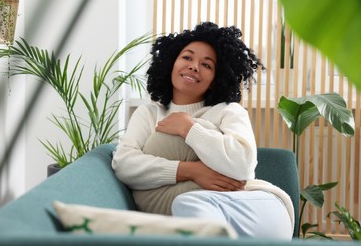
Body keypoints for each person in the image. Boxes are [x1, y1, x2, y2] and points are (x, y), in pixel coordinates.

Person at [112, 22, 294, 239]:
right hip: (194, 214)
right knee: (188, 204)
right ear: (171, 63)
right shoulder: (149, 114)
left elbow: (243, 165)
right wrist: (191, 171)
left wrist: (189, 129)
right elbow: (124, 164)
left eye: (207, 65)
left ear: (216, 78)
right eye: (187, 57)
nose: (194, 66)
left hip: (251, 204)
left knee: (189, 203)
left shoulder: (228, 111)